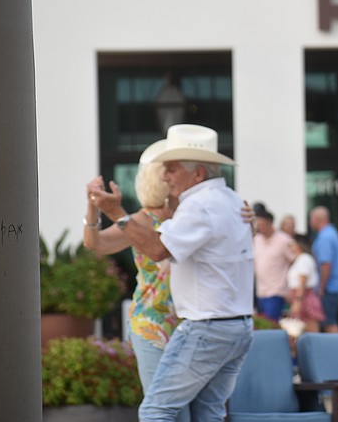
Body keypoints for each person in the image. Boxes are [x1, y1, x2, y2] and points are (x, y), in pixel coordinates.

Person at [89, 124, 254, 422]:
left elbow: (157, 249)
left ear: (199, 173)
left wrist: (116, 213)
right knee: (208, 413)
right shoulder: (232, 201)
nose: (164, 175)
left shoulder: (199, 206)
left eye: (172, 168)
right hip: (236, 327)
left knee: (157, 411)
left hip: (207, 327)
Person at [84, 140, 189, 422]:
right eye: (168, 171)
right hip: (152, 324)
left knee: (184, 411)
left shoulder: (189, 217)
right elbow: (95, 244)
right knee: (162, 408)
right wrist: (93, 207)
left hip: (188, 327)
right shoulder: (140, 220)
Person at [251, 202, 295, 322]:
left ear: (270, 224)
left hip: (276, 291)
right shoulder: (256, 240)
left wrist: (290, 285)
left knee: (271, 324)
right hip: (260, 292)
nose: (259, 228)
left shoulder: (284, 240)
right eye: (258, 225)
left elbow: (295, 262)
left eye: (262, 225)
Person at [309, 206, 338, 333]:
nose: (310, 222)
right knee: (329, 320)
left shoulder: (325, 237)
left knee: (330, 321)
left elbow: (325, 264)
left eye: (311, 219)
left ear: (318, 219)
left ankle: (336, 351)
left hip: (329, 288)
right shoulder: (332, 233)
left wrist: (321, 288)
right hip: (333, 286)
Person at [286, 234, 325, 333]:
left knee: (311, 330)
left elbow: (302, 280)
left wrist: (298, 300)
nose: (290, 246)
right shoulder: (299, 259)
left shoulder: (304, 259)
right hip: (300, 298)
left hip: (305, 299)